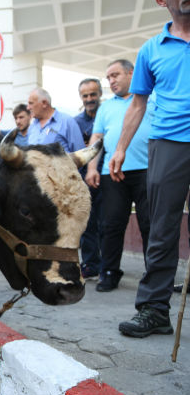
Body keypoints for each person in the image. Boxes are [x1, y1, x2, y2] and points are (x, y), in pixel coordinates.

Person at [111, 0, 190, 338]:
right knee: (161, 228)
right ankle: (154, 310)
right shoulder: (150, 50)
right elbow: (138, 103)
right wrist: (120, 149)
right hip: (168, 144)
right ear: (161, 0)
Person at [86, 59, 152, 292]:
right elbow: (97, 140)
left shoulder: (150, 99)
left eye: (115, 75)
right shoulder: (105, 108)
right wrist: (92, 167)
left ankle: (154, 275)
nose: (111, 81)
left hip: (147, 170)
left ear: (131, 74)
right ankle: (110, 272)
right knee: (110, 225)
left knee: (149, 225)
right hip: (112, 173)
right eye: (109, 78)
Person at [75, 78, 104, 279]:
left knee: (108, 223)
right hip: (85, 179)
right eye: (85, 95)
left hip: (110, 176)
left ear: (100, 94)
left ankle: (109, 264)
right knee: (87, 224)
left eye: (93, 94)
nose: (89, 99)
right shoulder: (76, 122)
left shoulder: (108, 113)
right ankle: (91, 264)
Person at [27, 87, 86, 153]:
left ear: (44, 103)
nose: (28, 108)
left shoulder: (67, 122)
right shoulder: (32, 127)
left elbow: (80, 153)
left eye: (31, 103)